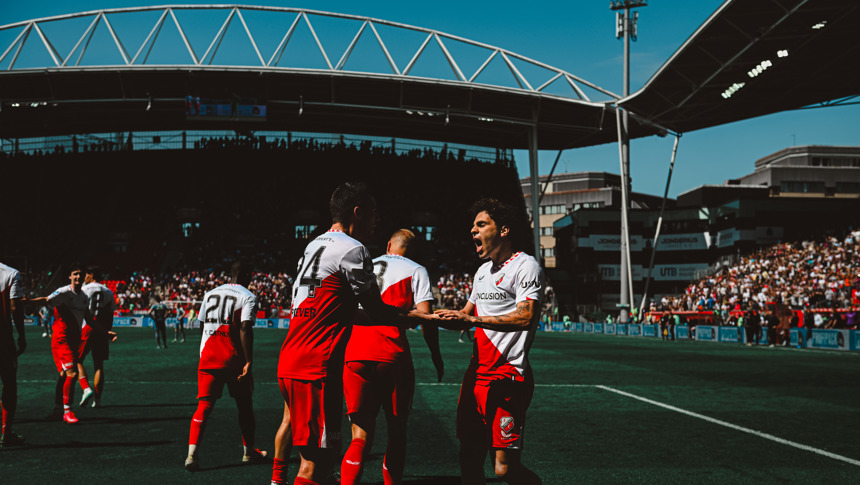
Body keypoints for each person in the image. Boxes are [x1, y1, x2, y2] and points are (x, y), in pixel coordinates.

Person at [273, 182, 440, 485]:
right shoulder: (353, 248)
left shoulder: (313, 245)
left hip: (293, 359)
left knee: (323, 460)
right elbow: (377, 311)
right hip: (317, 366)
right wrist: (420, 316)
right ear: (358, 213)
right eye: (374, 213)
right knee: (315, 467)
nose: (378, 220)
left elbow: (347, 312)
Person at [436, 198, 545, 485]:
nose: (473, 230)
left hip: (509, 375)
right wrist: (420, 317)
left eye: (481, 224)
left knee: (504, 470)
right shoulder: (482, 271)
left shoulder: (526, 266)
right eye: (473, 225)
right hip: (476, 376)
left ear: (504, 230)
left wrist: (472, 321)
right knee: (469, 458)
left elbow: (525, 317)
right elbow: (464, 316)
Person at [340, 229, 445, 485]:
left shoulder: (366, 264)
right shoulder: (416, 269)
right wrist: (435, 354)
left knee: (359, 435)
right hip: (391, 354)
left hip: (355, 352)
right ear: (413, 250)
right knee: (396, 431)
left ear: (389, 245)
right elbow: (426, 318)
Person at [184, 261, 268, 471]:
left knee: (204, 406)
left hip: (209, 358)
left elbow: (202, 325)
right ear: (247, 275)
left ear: (230, 274)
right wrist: (249, 361)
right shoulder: (247, 295)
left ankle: (191, 455)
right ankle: (248, 453)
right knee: (245, 406)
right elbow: (245, 328)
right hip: (234, 360)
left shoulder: (210, 293)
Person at [27, 263, 116, 424]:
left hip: (74, 339)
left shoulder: (84, 296)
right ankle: (67, 411)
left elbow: (89, 319)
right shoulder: (63, 292)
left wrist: (105, 332)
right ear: (70, 276)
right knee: (72, 373)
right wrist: (26, 302)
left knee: (63, 375)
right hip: (62, 339)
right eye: (75, 274)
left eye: (80, 274)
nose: (78, 277)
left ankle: (57, 409)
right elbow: (47, 299)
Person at [79, 266, 116, 407]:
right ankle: (97, 401)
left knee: (76, 360)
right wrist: (107, 332)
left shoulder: (83, 290)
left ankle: (86, 388)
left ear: (92, 275)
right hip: (102, 329)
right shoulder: (108, 292)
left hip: (87, 327)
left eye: (86, 274)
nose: (84, 277)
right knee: (99, 365)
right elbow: (111, 314)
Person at [1, 262, 26, 446]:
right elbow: (15, 308)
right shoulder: (10, 274)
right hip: (3, 340)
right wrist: (22, 336)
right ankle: (6, 432)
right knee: (9, 384)